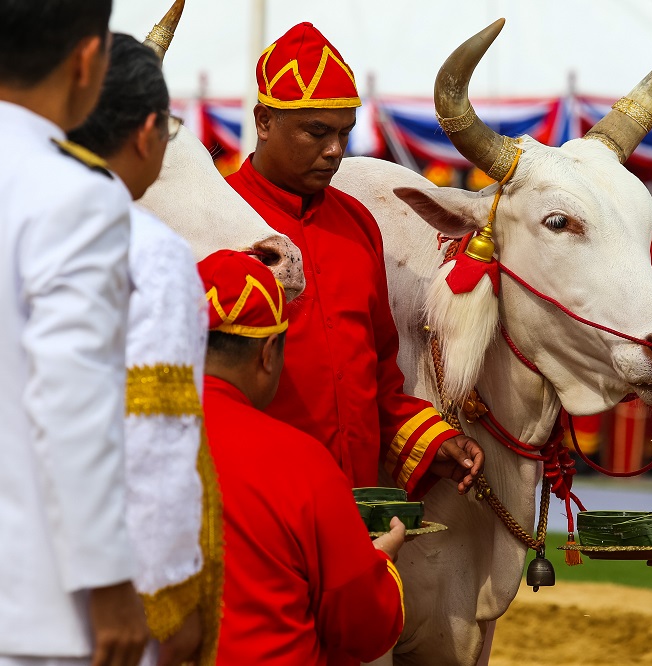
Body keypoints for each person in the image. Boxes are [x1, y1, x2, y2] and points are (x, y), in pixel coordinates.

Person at [226, 22, 482, 496]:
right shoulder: (219, 220)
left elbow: (380, 374)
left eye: (344, 133)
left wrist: (431, 441)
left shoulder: (359, 223)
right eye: (317, 131)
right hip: (255, 497)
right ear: (264, 121)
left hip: (355, 500)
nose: (334, 152)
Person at [0, 1, 149, 664]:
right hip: (36, 607)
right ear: (88, 61)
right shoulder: (76, 196)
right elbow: (71, 397)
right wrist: (109, 578)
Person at [67, 32, 222, 665]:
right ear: (148, 131)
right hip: (106, 607)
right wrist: (166, 598)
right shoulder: (147, 253)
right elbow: (153, 441)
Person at [198, 249, 405, 665]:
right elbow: (363, 627)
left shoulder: (112, 437)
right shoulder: (301, 462)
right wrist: (383, 563)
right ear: (269, 351)